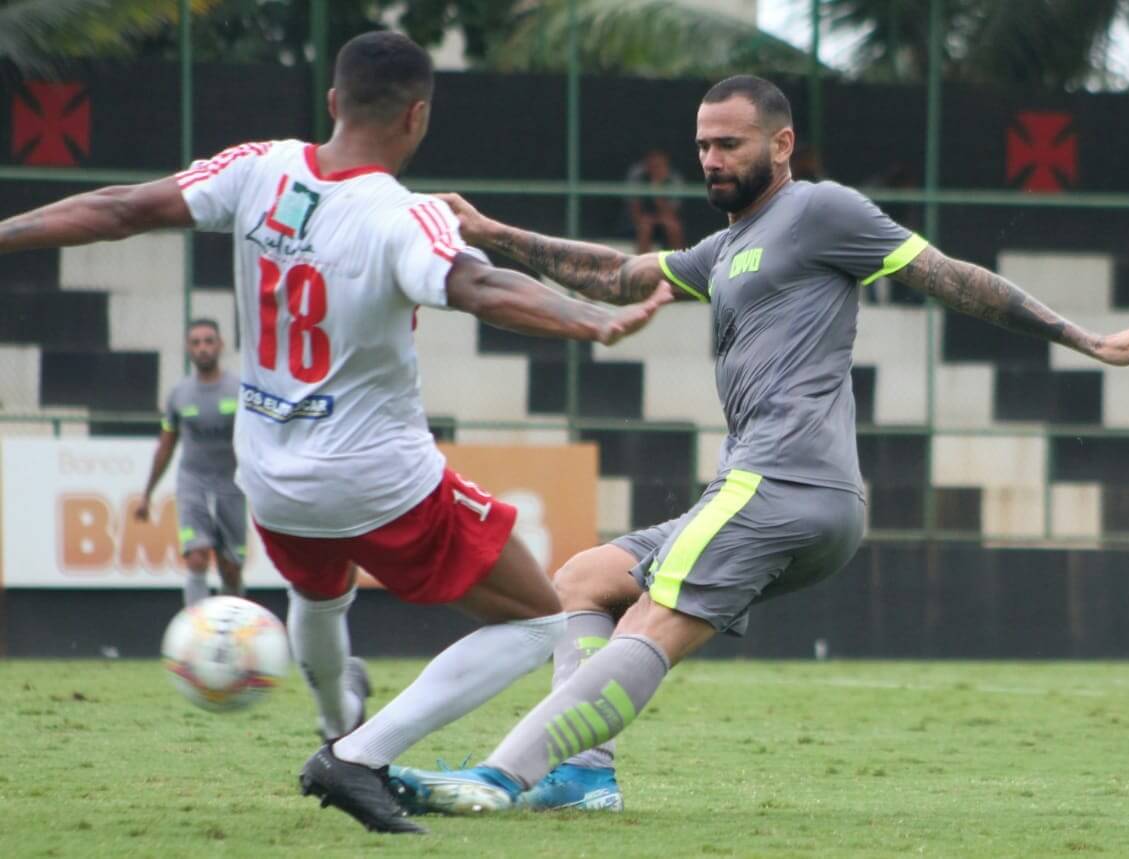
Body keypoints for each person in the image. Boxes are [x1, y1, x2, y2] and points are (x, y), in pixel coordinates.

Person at [388, 74, 1129, 815]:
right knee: (585, 581)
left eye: (730, 144)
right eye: (702, 145)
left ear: (782, 143)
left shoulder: (823, 211)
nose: (711, 159)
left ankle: (500, 775)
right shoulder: (728, 248)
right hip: (778, 492)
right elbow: (620, 276)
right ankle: (582, 775)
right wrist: (493, 234)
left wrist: (1088, 339)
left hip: (785, 480)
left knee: (649, 625)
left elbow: (950, 276)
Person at [0, 31, 669, 835]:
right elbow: (481, 286)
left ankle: (331, 712)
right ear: (417, 117)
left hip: (270, 472)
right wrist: (589, 321)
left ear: (332, 101)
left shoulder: (257, 167)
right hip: (374, 475)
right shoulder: (404, 215)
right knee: (536, 619)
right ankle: (355, 753)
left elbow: (116, 210)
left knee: (319, 593)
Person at [137, 318, 245, 606]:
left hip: (231, 485)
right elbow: (166, 445)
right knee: (196, 557)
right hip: (193, 483)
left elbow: (257, 441)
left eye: (209, 341)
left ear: (220, 345)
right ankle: (196, 634)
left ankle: (230, 633)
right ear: (188, 349)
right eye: (196, 343)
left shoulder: (239, 390)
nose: (203, 348)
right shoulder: (179, 394)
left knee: (230, 569)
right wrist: (147, 494)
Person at [625, 149, 685, 253]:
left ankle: (678, 265)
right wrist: (642, 219)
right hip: (642, 217)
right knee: (645, 227)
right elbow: (634, 206)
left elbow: (672, 212)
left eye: (659, 164)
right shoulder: (638, 175)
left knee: (674, 227)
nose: (655, 167)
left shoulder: (673, 178)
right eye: (652, 163)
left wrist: (657, 188)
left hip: (664, 216)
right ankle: (640, 265)